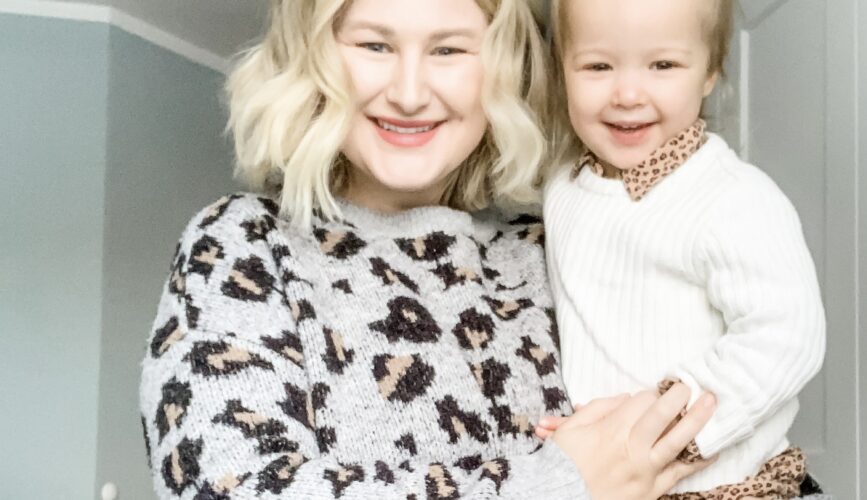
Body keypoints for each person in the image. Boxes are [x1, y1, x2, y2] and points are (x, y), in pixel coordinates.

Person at [138, 0, 716, 498]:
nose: (409, 94)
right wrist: (561, 484)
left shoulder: (557, 245)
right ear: (314, 56)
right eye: (374, 45)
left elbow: (713, 447)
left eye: (448, 51)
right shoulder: (247, 245)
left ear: (503, 65)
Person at [535, 0, 827, 498]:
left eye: (663, 65)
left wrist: (674, 424)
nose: (628, 93)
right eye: (598, 66)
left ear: (710, 71)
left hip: (726, 481)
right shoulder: (562, 189)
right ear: (563, 72)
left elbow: (788, 336)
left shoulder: (732, 197)